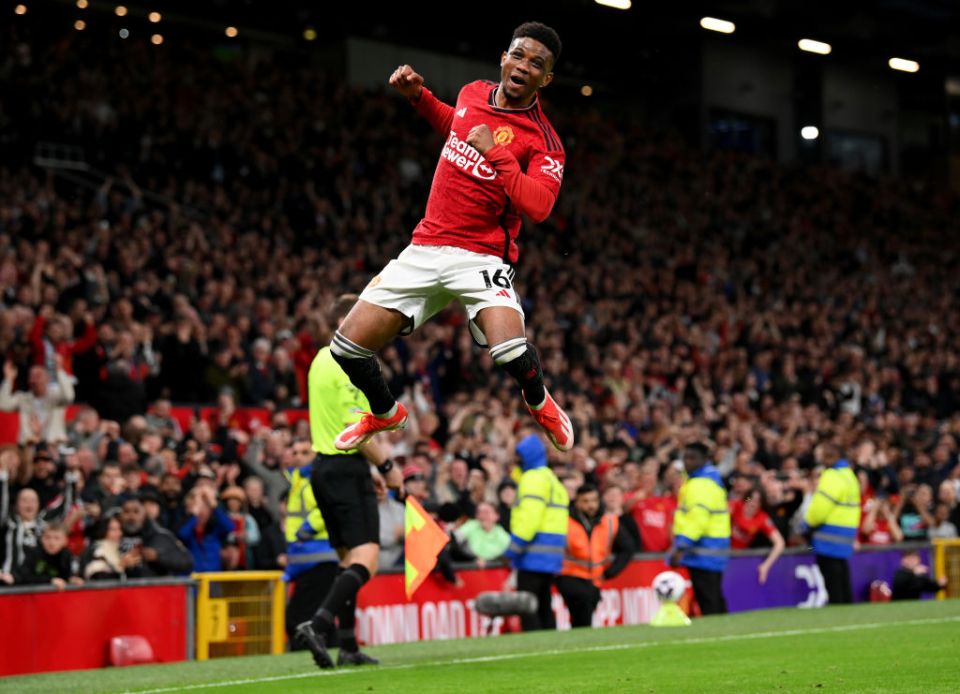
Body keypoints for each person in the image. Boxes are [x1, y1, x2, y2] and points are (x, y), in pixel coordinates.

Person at [328, 22, 574, 457]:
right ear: (504, 57)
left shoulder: (544, 141)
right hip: (423, 248)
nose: (523, 66)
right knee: (345, 348)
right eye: (519, 55)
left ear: (546, 79)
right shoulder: (472, 93)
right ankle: (384, 412)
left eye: (537, 64)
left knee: (509, 351)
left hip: (480, 256)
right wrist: (418, 98)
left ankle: (538, 400)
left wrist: (494, 153)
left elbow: (538, 206)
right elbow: (455, 125)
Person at [295, 294, 403, 669]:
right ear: (347, 318)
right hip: (344, 469)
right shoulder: (347, 361)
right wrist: (388, 467)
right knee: (366, 559)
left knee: (346, 561)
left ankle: (348, 645)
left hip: (326, 468)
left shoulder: (319, 361)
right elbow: (352, 426)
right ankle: (318, 623)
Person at [505, 433, 569, 631]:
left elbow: (530, 520)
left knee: (529, 607)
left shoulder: (532, 479)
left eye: (519, 456)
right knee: (544, 604)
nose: (516, 461)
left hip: (532, 553)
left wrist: (512, 549)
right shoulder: (551, 479)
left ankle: (534, 644)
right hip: (551, 555)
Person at [284, 437, 338, 650]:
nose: (298, 457)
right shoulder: (300, 480)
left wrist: (308, 528)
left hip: (318, 557)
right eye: (295, 452)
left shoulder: (317, 478)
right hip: (309, 559)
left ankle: (305, 660)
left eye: (305, 452)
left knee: (296, 618)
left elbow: (327, 506)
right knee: (321, 617)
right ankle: (337, 654)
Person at [557, 483, 635, 627]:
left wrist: (612, 571)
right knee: (582, 602)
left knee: (584, 614)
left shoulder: (609, 521)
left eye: (594, 500)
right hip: (570, 574)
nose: (591, 505)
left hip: (595, 578)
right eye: (585, 501)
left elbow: (628, 548)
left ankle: (578, 640)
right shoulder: (564, 521)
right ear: (577, 502)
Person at [669, 443, 731, 616]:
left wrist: (681, 546)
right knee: (714, 597)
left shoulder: (700, 484)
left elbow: (698, 520)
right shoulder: (710, 480)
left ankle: (718, 637)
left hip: (703, 551)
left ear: (704, 460)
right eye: (685, 458)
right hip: (713, 549)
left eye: (692, 458)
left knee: (708, 600)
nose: (687, 462)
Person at [802, 442, 861, 605]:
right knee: (843, 580)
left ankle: (839, 615)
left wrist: (805, 524)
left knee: (833, 584)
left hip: (828, 539)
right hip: (845, 537)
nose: (819, 460)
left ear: (831, 457)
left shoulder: (832, 476)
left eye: (821, 456)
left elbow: (820, 509)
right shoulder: (849, 475)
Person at [0, 357, 75, 445]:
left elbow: (69, 397)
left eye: (38, 376)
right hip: (28, 445)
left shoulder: (55, 397)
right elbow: (3, 405)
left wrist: (59, 370)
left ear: (47, 379)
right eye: (32, 376)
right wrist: (8, 379)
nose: (35, 380)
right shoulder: (23, 398)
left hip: (53, 444)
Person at [118, 492, 193, 577]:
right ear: (120, 515)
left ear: (144, 514)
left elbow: (186, 561)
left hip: (155, 588)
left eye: (136, 512)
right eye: (126, 512)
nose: (131, 517)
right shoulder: (111, 536)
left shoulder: (161, 536)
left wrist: (158, 557)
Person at [729, 485, 785, 584]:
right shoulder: (735, 506)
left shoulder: (762, 517)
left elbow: (780, 543)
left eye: (758, 501)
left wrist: (766, 565)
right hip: (722, 554)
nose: (753, 503)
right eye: (751, 499)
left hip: (739, 560)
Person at [9, 521, 79, 588]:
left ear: (65, 541)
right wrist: (50, 580)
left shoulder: (66, 555)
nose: (51, 542)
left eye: (57, 538)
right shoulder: (34, 553)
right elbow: (23, 577)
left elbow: (67, 575)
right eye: (47, 537)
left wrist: (72, 579)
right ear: (42, 539)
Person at [454, 501, 511, 567]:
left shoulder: (503, 535)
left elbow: (508, 556)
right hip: (469, 567)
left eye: (486, 512)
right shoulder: (471, 525)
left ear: (496, 516)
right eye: (479, 512)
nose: (482, 516)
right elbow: (456, 537)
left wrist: (487, 562)